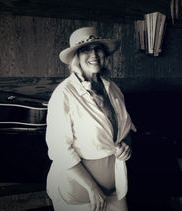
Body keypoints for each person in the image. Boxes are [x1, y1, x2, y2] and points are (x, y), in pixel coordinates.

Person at [45, 26, 136, 211]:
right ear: (76, 57)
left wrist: (126, 146)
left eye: (98, 49)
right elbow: (59, 149)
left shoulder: (113, 89)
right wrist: (92, 188)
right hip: (81, 192)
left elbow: (127, 129)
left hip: (115, 187)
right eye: (86, 50)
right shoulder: (64, 94)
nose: (94, 54)